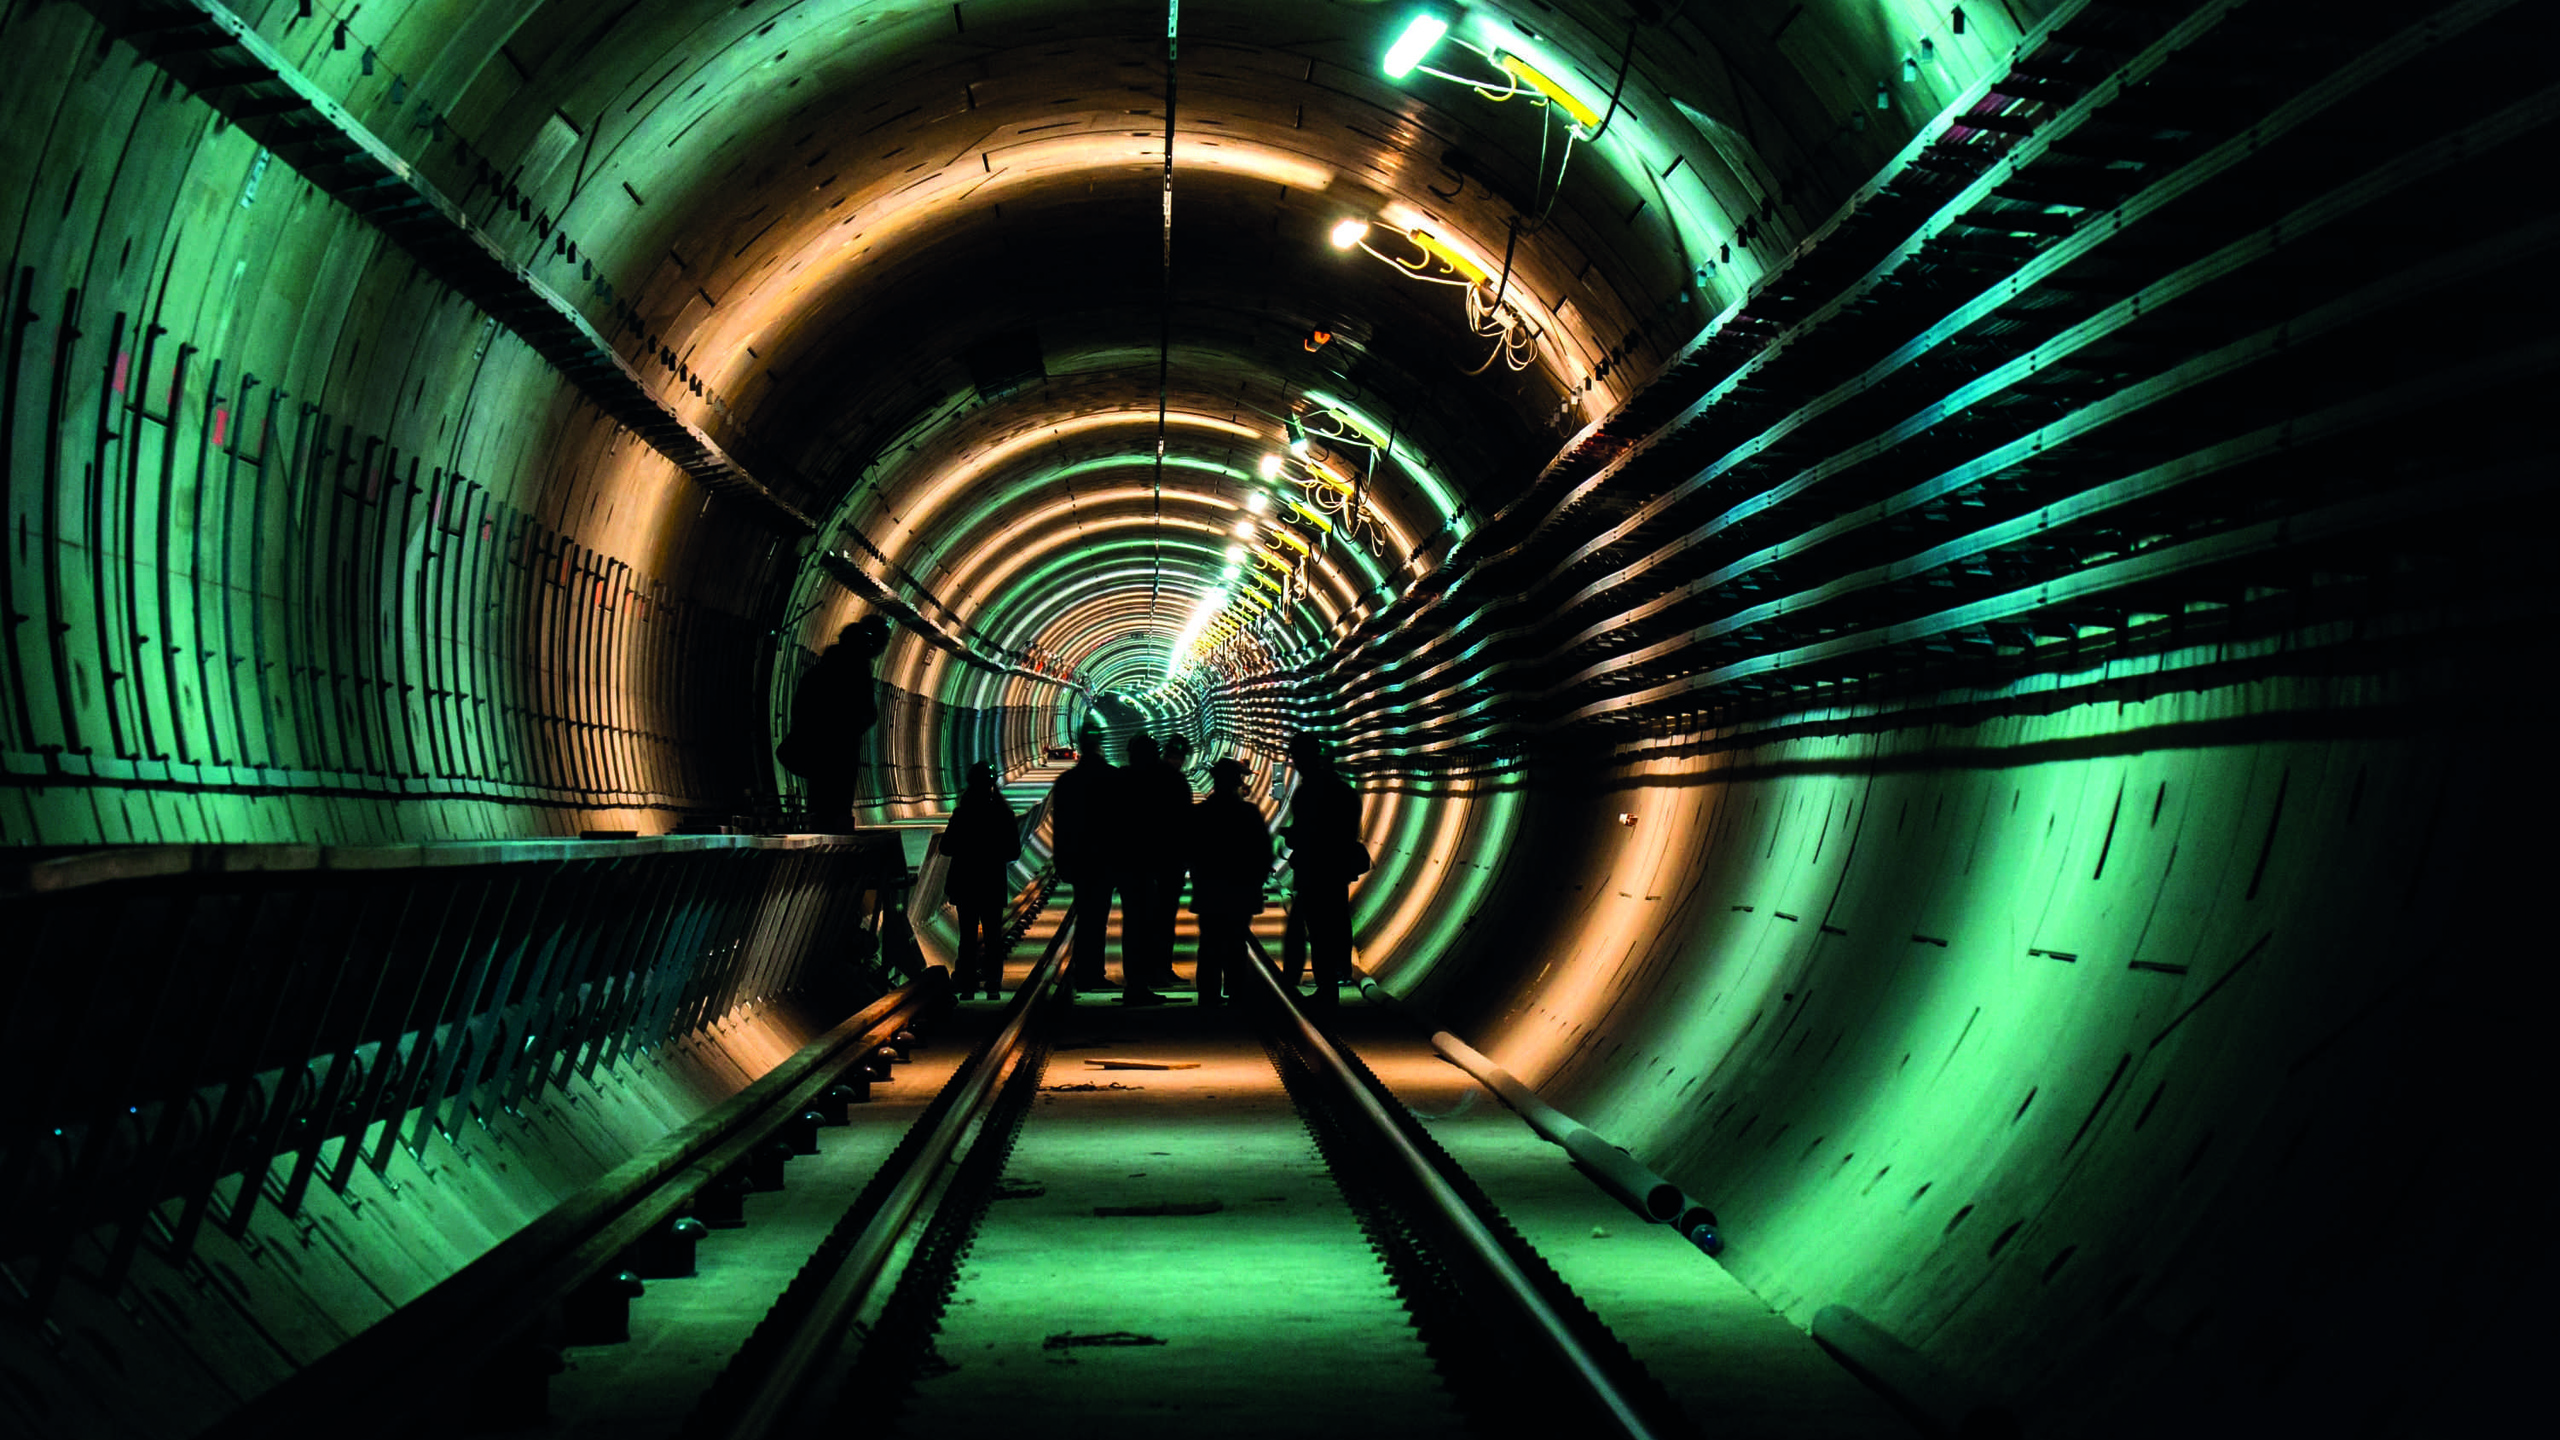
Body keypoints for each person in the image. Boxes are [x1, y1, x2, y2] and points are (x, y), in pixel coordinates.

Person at [777, 615, 890, 830]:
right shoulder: (858, 675)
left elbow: (800, 710)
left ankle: (819, 846)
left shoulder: (816, 672)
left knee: (818, 803)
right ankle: (839, 848)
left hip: (816, 752)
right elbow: (868, 714)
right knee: (839, 806)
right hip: (842, 753)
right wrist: (847, 730)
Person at [1280, 733, 1364, 1006]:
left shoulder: (1307, 793)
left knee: (1314, 928)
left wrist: (1292, 836)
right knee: (1336, 920)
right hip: (1337, 869)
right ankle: (1336, 974)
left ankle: (1320, 985)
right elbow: (1349, 831)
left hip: (1314, 869)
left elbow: (1308, 833)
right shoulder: (1345, 791)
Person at [1188, 757, 1273, 1005]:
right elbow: (1262, 852)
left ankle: (1208, 995)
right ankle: (1236, 992)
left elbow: (1191, 850)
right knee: (1236, 942)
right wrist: (1256, 882)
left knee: (1210, 943)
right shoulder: (1248, 813)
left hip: (1210, 890)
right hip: (1240, 890)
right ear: (1238, 783)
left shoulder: (1201, 813)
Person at [1046, 725, 1124, 992]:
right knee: (1097, 917)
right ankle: (1093, 972)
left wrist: (1061, 861)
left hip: (1079, 860)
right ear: (1101, 744)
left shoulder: (1067, 782)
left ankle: (1083, 971)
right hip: (1106, 861)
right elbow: (1122, 825)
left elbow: (1062, 826)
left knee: (1084, 915)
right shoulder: (1114, 778)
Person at [1116, 734, 1192, 999]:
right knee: (1159, 920)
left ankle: (1138, 981)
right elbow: (1184, 825)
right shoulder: (1172, 780)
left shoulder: (1121, 781)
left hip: (1130, 864)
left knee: (1135, 923)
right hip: (1165, 864)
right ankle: (1154, 973)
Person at [941, 762, 1021, 999]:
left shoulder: (962, 814)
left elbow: (946, 847)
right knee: (993, 936)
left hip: (966, 884)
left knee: (967, 937)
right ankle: (993, 984)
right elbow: (1013, 852)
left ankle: (966, 984)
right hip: (991, 884)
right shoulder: (1003, 814)